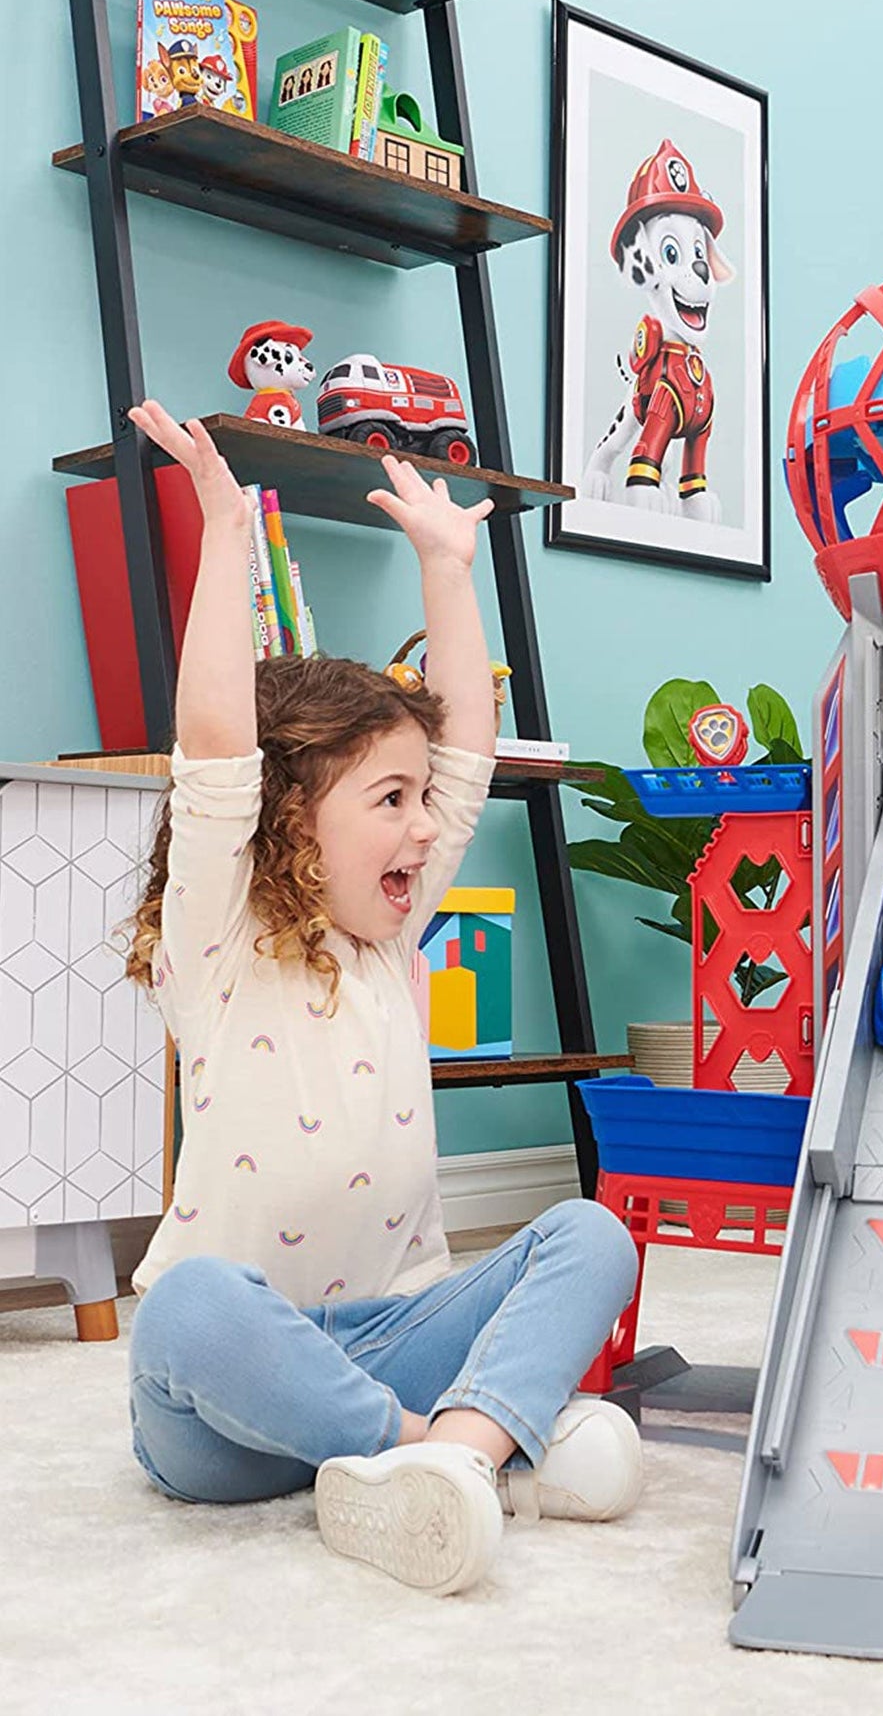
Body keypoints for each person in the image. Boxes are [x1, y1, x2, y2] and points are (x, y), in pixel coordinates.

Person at [122, 399, 643, 1590]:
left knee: (593, 1232)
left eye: (423, 799)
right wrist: (222, 538)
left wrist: (448, 570)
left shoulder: (392, 932)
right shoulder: (222, 942)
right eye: (389, 800)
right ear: (290, 821)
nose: (424, 823)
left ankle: (447, 1454)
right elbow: (215, 745)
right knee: (188, 1305)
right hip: (223, 1410)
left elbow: (467, 751)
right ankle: (461, 1451)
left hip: (391, 1338)